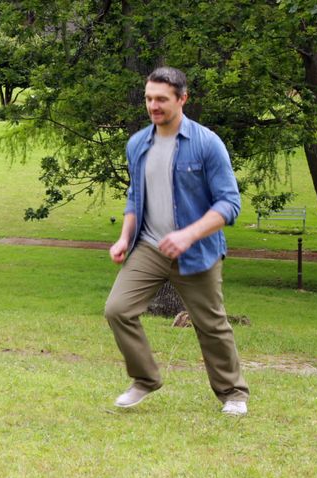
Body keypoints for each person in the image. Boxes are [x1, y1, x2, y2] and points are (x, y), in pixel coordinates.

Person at [105, 66, 249, 416]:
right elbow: (134, 195)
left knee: (211, 324)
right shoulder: (138, 143)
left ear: (183, 99)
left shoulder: (206, 143)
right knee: (117, 310)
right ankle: (145, 379)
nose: (153, 106)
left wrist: (188, 234)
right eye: (149, 99)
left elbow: (230, 204)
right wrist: (124, 237)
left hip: (197, 250)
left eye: (162, 99)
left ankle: (233, 393)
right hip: (150, 247)